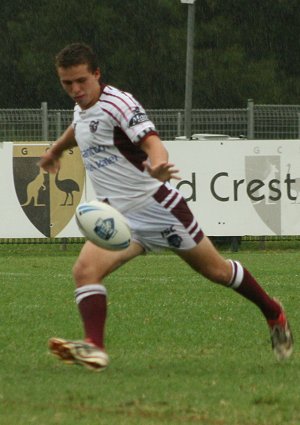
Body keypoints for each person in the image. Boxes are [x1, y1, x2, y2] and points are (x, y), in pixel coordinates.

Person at [39, 43, 293, 371]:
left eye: (81, 81)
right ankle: (95, 347)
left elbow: (152, 143)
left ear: (97, 74)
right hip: (119, 218)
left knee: (218, 271)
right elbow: (80, 127)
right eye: (66, 83)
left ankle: (274, 312)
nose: (75, 90)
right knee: (85, 271)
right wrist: (56, 149)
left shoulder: (120, 103)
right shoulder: (82, 106)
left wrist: (158, 165)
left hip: (159, 208)